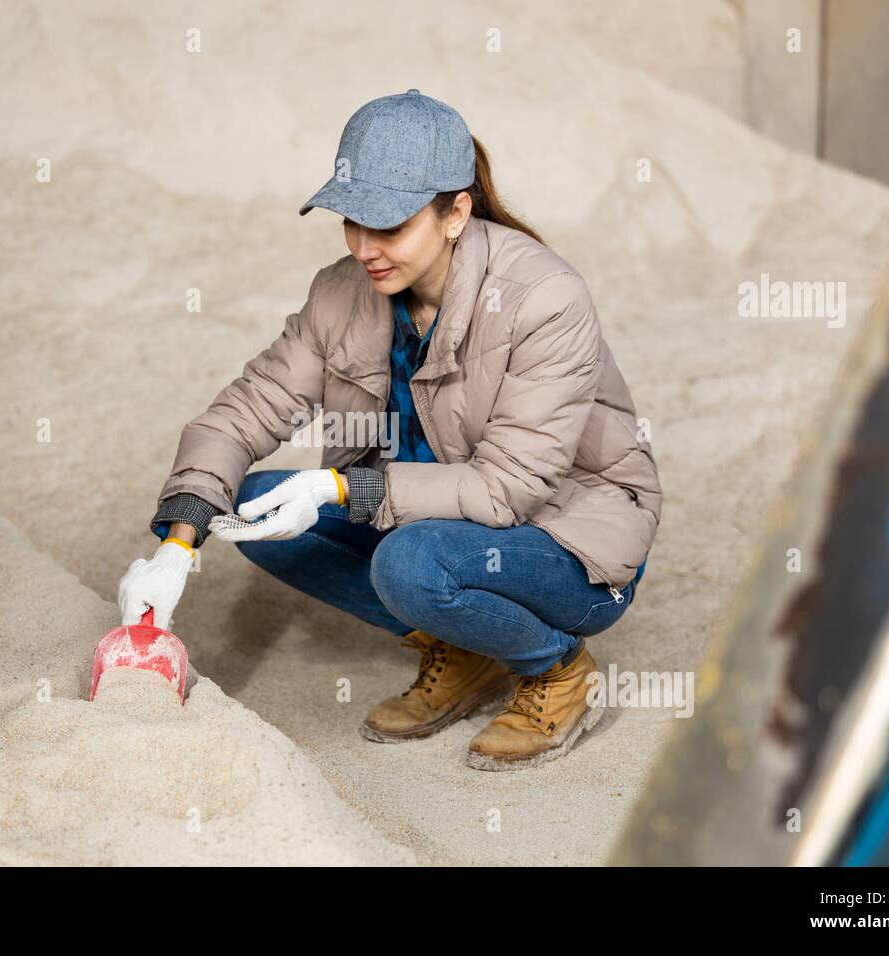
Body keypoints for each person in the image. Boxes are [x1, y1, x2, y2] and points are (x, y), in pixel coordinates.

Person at [118, 89, 662, 771]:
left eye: (390, 226)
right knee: (250, 504)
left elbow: (508, 491)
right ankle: (466, 647)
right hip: (427, 515)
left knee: (408, 564)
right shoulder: (341, 293)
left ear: (455, 211)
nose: (365, 248)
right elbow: (249, 408)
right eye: (352, 221)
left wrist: (342, 488)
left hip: (565, 538)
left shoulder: (544, 297)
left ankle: (558, 669)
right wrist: (178, 544)